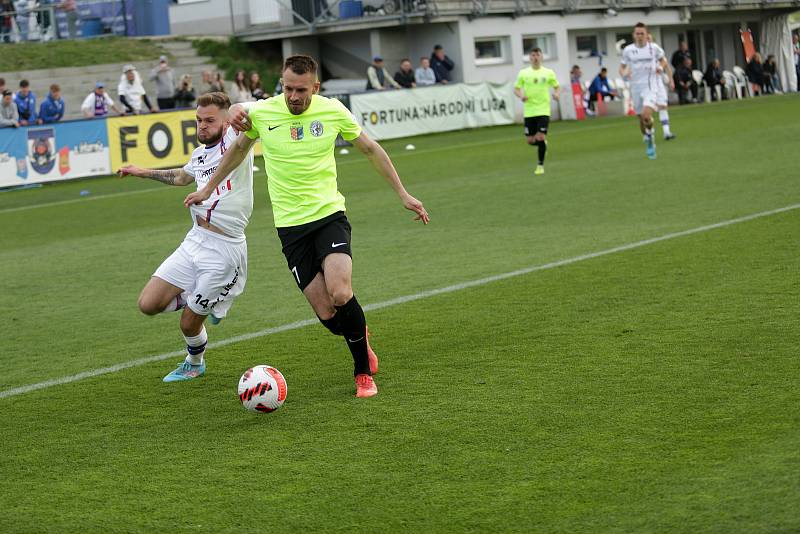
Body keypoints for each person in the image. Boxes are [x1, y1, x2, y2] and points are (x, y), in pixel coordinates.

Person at [184, 55, 430, 398]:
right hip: (290, 228)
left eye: (301, 90)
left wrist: (403, 193)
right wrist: (207, 189)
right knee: (329, 315)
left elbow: (371, 149)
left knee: (341, 291)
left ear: (315, 87)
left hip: (330, 216)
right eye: (288, 88)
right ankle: (359, 332)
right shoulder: (264, 113)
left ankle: (362, 374)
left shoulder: (332, 111)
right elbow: (238, 150)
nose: (294, 96)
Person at [117, 92, 256, 382]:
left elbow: (256, 110)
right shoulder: (199, 155)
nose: (201, 126)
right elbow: (181, 177)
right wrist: (139, 171)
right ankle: (205, 296)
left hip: (224, 250)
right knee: (148, 304)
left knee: (189, 323)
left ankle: (195, 363)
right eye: (198, 120)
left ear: (226, 120)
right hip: (194, 241)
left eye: (209, 121)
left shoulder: (237, 139)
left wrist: (238, 112)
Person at [619, 22, 673, 160]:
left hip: (650, 86)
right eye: (637, 33)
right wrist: (624, 73)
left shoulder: (653, 48)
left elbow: (663, 61)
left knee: (646, 114)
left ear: (646, 34)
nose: (640, 36)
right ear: (634, 35)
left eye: (642, 33)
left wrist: (660, 68)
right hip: (635, 87)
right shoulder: (628, 50)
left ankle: (651, 138)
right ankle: (649, 134)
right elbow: (622, 67)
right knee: (641, 119)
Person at [514, 48, 560, 176]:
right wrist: (521, 96)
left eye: (537, 55)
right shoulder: (523, 73)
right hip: (529, 111)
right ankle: (543, 145)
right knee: (530, 141)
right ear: (529, 57)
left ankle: (540, 166)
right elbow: (516, 89)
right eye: (533, 55)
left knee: (540, 136)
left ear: (541, 57)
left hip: (543, 110)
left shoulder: (548, 72)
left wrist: (556, 94)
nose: (535, 57)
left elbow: (557, 87)